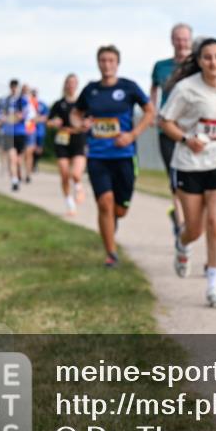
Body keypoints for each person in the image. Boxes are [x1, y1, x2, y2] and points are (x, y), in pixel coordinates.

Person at [159, 38, 216, 308]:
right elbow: (165, 121)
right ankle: (182, 243)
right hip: (190, 163)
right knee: (195, 229)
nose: (214, 62)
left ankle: (214, 288)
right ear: (200, 61)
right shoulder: (186, 89)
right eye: (208, 57)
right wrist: (187, 139)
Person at [72, 45, 155, 267]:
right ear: (98, 63)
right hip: (98, 156)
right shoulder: (90, 90)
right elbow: (76, 114)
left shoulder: (128, 87)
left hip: (124, 155)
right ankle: (111, 253)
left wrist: (133, 134)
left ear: (117, 63)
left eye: (111, 60)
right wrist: (81, 123)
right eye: (103, 60)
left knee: (120, 209)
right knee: (104, 203)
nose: (107, 65)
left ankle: (113, 220)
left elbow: (150, 111)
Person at [150, 23, 196, 239]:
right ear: (172, 40)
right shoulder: (161, 67)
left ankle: (190, 216)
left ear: (191, 40)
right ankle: (180, 222)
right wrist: (153, 111)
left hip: (192, 128)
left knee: (194, 176)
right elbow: (154, 89)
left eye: (185, 39)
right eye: (178, 38)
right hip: (167, 128)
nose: (182, 43)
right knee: (175, 176)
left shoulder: (197, 64)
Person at [48, 74, 88, 215]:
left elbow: (89, 121)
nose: (71, 85)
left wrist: (84, 125)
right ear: (65, 85)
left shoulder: (82, 104)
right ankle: (69, 203)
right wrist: (54, 123)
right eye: (68, 83)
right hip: (62, 140)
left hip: (78, 139)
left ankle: (78, 187)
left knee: (76, 174)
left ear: (77, 85)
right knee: (64, 174)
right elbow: (49, 121)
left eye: (73, 83)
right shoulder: (59, 104)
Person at [0, 80, 31, 190]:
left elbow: (24, 115)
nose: (14, 89)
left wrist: (13, 117)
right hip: (8, 133)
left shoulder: (23, 101)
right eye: (12, 87)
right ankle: (14, 181)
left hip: (20, 132)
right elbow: (0, 115)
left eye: (15, 87)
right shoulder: (5, 101)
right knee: (12, 157)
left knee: (18, 159)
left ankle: (17, 173)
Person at [31, 88, 48, 172]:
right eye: (32, 93)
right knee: (30, 148)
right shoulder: (28, 103)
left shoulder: (42, 104)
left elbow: (47, 117)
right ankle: (29, 164)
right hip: (30, 129)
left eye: (35, 93)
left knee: (39, 149)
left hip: (40, 130)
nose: (34, 94)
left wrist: (37, 119)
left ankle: (35, 164)